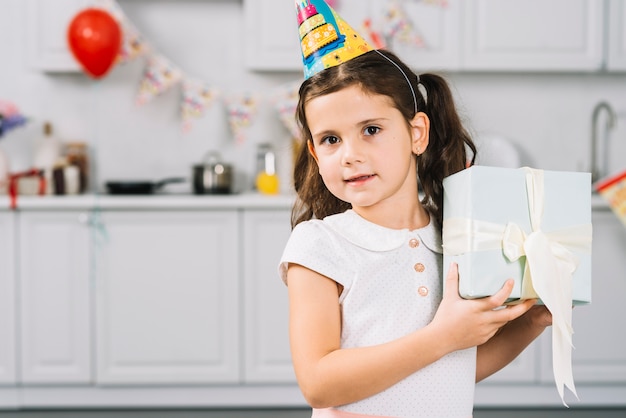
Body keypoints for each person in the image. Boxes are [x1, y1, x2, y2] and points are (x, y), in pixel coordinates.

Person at [279, 1, 552, 417]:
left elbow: (453, 368)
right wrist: (442, 337)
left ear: (416, 133)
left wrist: (532, 322)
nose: (349, 155)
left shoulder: (454, 234)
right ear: (315, 153)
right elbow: (318, 383)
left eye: (371, 130)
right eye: (331, 140)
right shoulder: (318, 245)